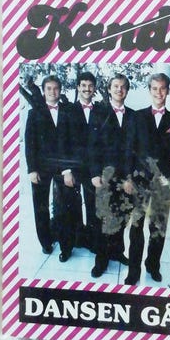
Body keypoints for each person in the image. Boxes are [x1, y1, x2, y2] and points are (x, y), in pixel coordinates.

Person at [125, 73, 170, 285]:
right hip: (139, 182)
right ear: (149, 90)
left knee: (159, 227)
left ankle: (153, 266)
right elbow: (129, 149)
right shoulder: (137, 117)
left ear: (168, 91)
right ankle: (133, 271)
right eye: (155, 88)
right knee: (136, 227)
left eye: (162, 88)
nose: (159, 92)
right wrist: (128, 178)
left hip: (163, 183)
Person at [24, 75, 83, 263]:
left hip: (63, 167)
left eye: (56, 88)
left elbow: (73, 142)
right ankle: (46, 241)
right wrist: (32, 169)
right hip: (41, 168)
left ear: (60, 90)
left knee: (64, 208)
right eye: (48, 88)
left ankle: (66, 247)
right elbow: (30, 143)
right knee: (40, 206)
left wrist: (68, 169)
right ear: (43, 91)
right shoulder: (35, 113)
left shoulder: (68, 111)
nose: (52, 92)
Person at [88, 74, 137, 278]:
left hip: (125, 177)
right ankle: (101, 261)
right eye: (115, 86)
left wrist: (130, 178)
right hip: (104, 176)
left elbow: (135, 150)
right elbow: (92, 145)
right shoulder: (98, 112)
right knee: (103, 219)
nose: (119, 89)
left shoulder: (133, 116)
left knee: (122, 216)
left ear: (127, 90)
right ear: (109, 89)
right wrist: (94, 173)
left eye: (123, 86)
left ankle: (117, 252)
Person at [67, 71, 98, 249]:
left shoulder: (101, 110)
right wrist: (67, 170)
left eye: (90, 85)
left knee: (93, 205)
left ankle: (93, 242)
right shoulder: (68, 110)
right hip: (73, 167)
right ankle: (76, 241)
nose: (87, 89)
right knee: (73, 205)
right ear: (78, 87)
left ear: (94, 88)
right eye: (83, 85)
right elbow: (63, 141)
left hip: (93, 168)